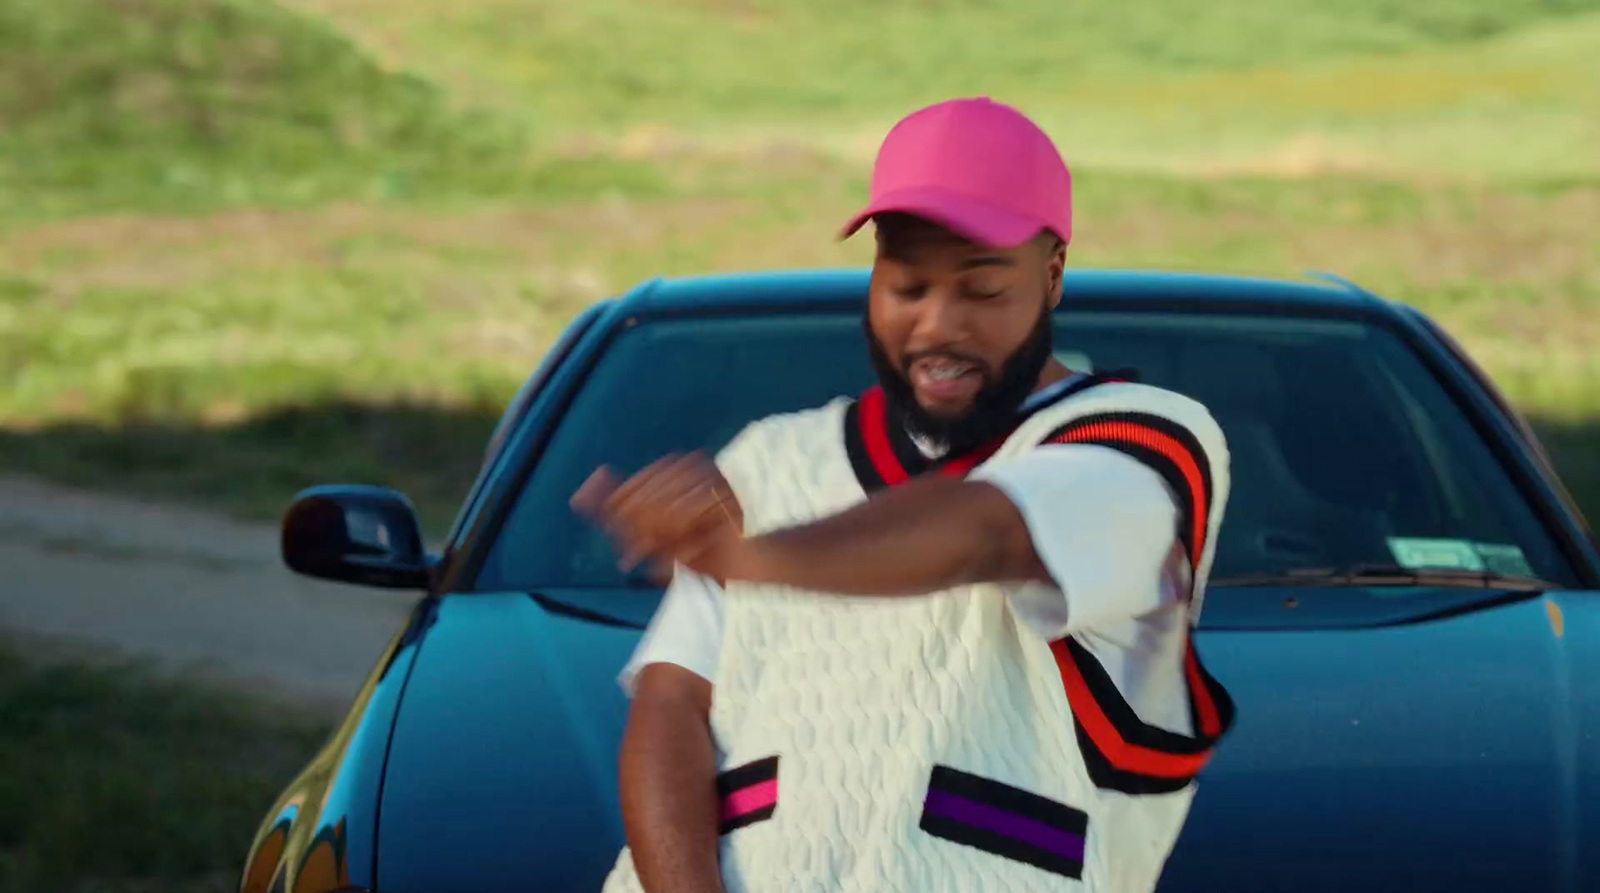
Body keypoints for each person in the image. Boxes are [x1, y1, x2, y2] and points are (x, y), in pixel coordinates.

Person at [573, 97, 1234, 893]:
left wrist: (755, 555)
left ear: (1053, 274)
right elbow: (672, 699)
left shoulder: (1146, 445)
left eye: (982, 289)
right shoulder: (772, 455)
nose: (936, 325)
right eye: (908, 285)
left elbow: (981, 531)